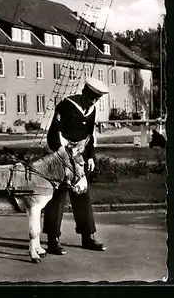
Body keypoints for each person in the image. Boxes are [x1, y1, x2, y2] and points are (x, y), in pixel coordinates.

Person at [43, 78, 108, 255]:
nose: (93, 101)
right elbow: (53, 133)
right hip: (61, 155)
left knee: (82, 195)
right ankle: (52, 239)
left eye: (97, 98)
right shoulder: (66, 105)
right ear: (84, 92)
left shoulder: (91, 110)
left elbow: (89, 136)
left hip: (79, 157)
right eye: (91, 97)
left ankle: (88, 237)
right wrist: (62, 157)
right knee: (58, 197)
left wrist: (91, 157)